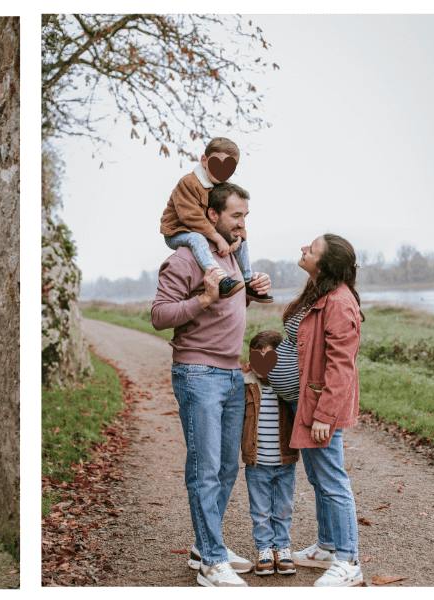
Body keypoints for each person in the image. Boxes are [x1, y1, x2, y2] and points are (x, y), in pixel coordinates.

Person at [150, 181, 272, 587]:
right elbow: (159, 315)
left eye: (246, 217)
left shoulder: (232, 256)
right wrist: (202, 299)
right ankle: (212, 564)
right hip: (198, 374)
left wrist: (254, 291)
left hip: (231, 373)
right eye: (236, 216)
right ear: (213, 217)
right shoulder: (186, 260)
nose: (242, 225)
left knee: (224, 469)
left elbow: (230, 304)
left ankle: (206, 546)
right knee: (204, 470)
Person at [280, 234, 365, 587]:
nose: (303, 249)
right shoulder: (318, 293)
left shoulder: (339, 303)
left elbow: (341, 366)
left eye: (310, 250)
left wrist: (324, 416)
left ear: (325, 263)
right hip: (306, 403)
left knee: (332, 481)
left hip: (319, 407)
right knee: (318, 478)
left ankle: (348, 561)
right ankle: (328, 546)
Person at [159, 137, 272, 303]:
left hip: (205, 231)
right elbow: (190, 216)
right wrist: (218, 238)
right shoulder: (188, 183)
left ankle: (247, 281)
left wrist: (238, 238)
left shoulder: (223, 187)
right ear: (204, 160)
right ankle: (220, 279)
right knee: (195, 238)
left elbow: (234, 215)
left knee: (241, 239)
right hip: (178, 231)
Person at [240, 329, 298, 577]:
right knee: (260, 509)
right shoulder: (249, 386)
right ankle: (264, 549)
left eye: (270, 357)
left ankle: (282, 548)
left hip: (285, 460)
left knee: (283, 507)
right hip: (258, 462)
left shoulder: (286, 389)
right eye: (257, 357)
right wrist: (243, 375)